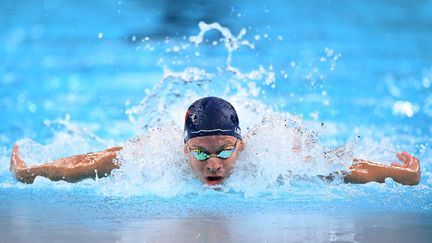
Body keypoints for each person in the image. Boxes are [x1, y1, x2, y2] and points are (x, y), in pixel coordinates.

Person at [10, 97, 421, 185]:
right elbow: (90, 162)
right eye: (200, 153)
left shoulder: (270, 157)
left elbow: (341, 167)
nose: (214, 164)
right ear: (183, 148)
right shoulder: (156, 159)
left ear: (240, 145)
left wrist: (403, 175)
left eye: (225, 150)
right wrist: (30, 172)